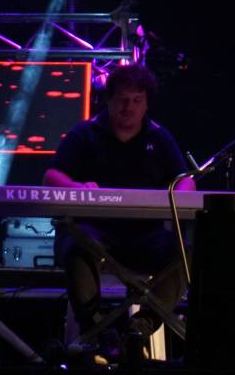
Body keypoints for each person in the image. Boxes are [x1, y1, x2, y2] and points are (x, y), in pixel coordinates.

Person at [45, 63, 193, 346]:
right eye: (123, 99)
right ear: (109, 100)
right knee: (77, 245)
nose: (130, 107)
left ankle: (140, 327)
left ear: (146, 104)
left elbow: (185, 181)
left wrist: (180, 194)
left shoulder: (159, 137)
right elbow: (52, 176)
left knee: (187, 254)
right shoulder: (84, 134)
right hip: (94, 233)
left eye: (137, 100)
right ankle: (97, 332)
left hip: (145, 237)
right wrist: (78, 189)